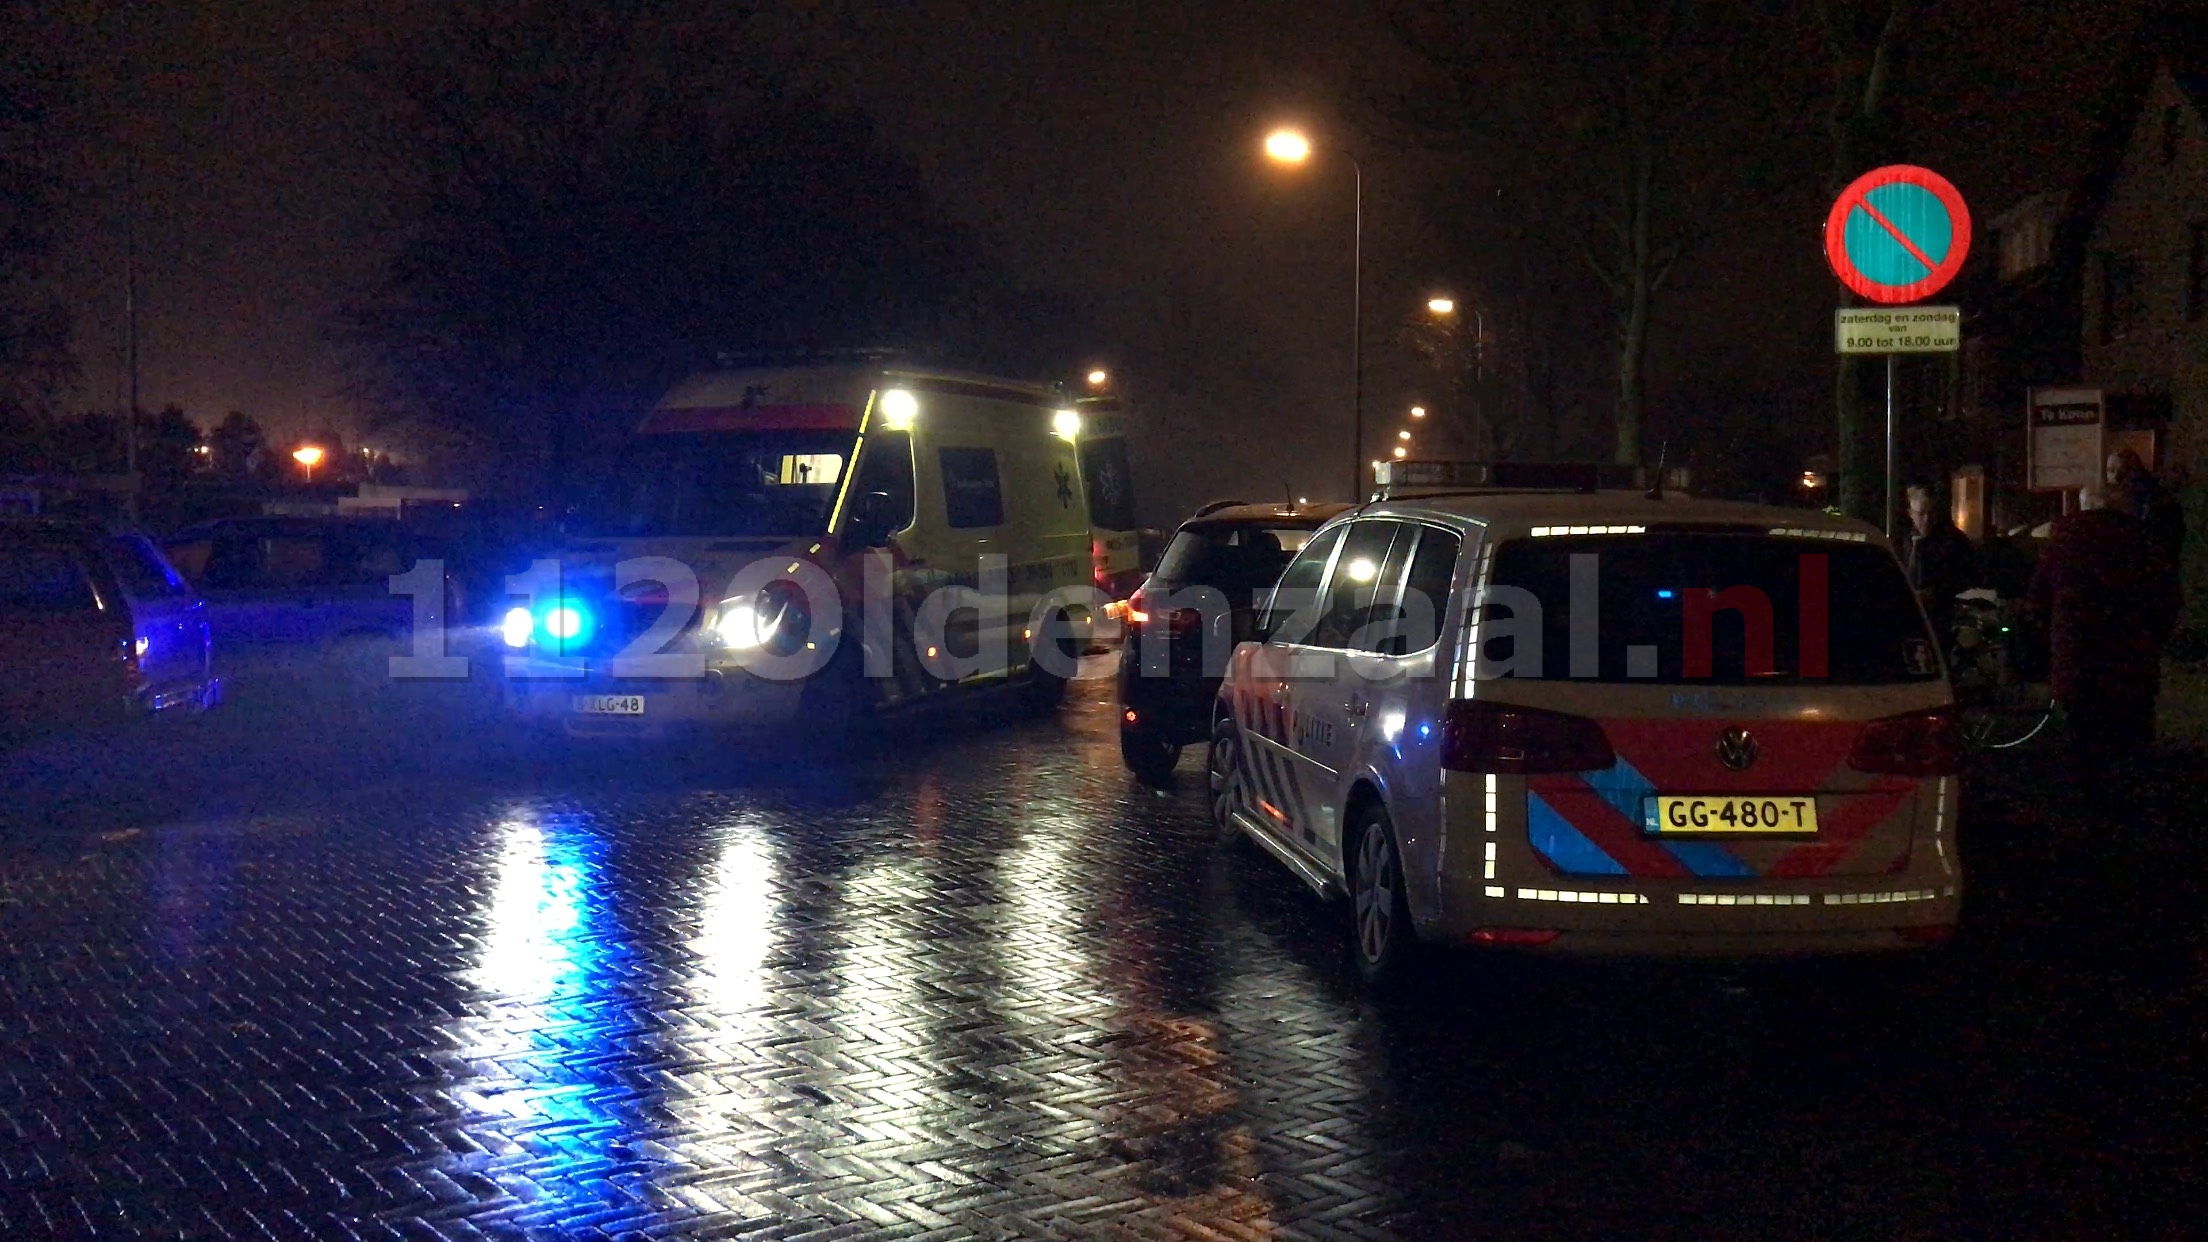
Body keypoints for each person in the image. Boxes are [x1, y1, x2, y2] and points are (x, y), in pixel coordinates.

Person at [2026, 483, 2181, 788]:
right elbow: (2167, 599)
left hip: (2078, 664)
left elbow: (2038, 602)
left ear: (2082, 507)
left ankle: (2090, 810)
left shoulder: (2062, 545)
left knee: (2085, 746)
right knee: (2130, 748)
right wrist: (2151, 641)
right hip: (2131, 664)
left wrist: (2056, 642)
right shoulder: (2139, 541)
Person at [1900, 483, 1975, 629]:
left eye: (1931, 513)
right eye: (1921, 514)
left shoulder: (1954, 541)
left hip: (1941, 616)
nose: (1927, 520)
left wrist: (1935, 592)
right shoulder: (1901, 540)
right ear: (1911, 513)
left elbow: (1967, 577)